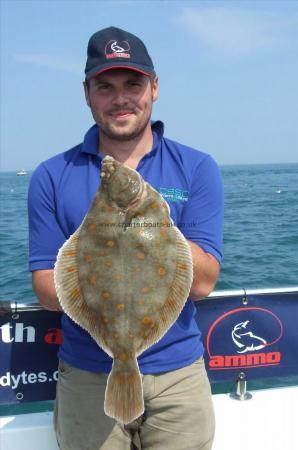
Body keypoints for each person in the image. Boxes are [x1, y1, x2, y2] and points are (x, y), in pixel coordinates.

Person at [28, 26, 224, 450]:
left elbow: (204, 283)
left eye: (133, 84)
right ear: (87, 93)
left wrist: (153, 223)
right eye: (106, 86)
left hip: (178, 376)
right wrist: (103, 247)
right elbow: (46, 289)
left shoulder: (197, 167)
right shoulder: (50, 176)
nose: (120, 98)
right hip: (85, 377)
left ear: (154, 88)